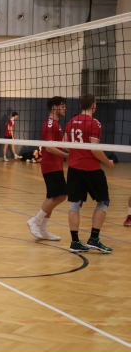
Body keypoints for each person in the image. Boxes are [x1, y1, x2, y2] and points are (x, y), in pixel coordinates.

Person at [63, 93, 114, 254]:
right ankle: (94, 238)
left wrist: (76, 153)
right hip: (91, 169)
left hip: (74, 168)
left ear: (81, 105)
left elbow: (64, 144)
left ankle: (75, 242)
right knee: (104, 201)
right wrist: (107, 162)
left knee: (75, 204)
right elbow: (94, 149)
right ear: (94, 105)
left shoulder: (71, 122)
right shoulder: (94, 123)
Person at [27, 96, 68, 241]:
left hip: (55, 165)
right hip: (51, 165)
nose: (65, 108)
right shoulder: (50, 124)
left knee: (52, 197)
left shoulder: (56, 124)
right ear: (54, 107)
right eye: (62, 106)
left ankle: (43, 229)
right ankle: (35, 221)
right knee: (61, 195)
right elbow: (49, 147)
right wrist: (66, 155)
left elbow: (59, 145)